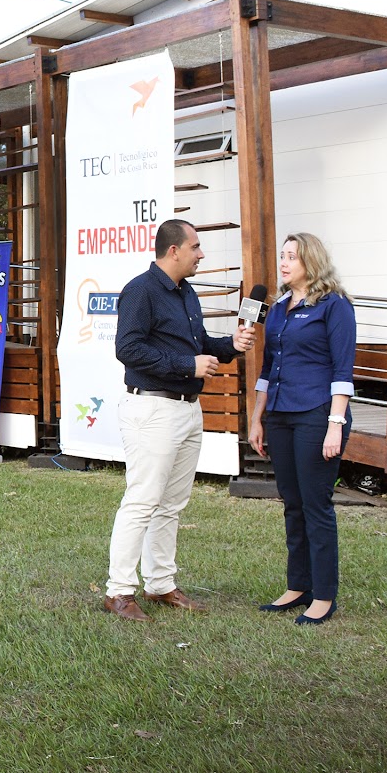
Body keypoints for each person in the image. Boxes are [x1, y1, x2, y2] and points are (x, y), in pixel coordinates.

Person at [102, 219, 254, 622]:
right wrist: (188, 365)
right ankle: (118, 592)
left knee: (171, 504)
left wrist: (229, 347)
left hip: (187, 409)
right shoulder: (141, 291)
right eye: (196, 247)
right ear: (174, 250)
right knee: (142, 501)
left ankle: (160, 584)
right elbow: (128, 349)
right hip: (152, 410)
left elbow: (200, 345)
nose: (201, 254)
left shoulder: (186, 293)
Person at [248, 232, 356, 627]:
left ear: (311, 261)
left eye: (291, 256)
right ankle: (298, 586)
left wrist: (335, 425)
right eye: (281, 255)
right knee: (292, 503)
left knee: (315, 505)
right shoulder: (276, 308)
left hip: (317, 413)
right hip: (279, 415)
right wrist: (257, 416)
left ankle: (324, 595)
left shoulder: (334, 305)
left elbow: (343, 370)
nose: (284, 262)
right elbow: (266, 368)